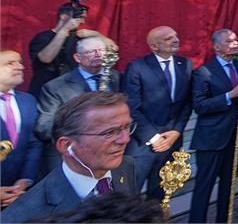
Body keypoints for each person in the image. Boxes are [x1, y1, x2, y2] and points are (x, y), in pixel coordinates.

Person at [1, 92, 138, 223]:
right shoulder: (22, 216)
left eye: (126, 127)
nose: (125, 139)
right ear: (66, 145)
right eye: (110, 132)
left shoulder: (125, 167)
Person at [123, 26, 193, 200]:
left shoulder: (185, 65)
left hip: (172, 143)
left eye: (176, 35)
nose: (176, 40)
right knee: (129, 197)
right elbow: (132, 108)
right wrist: (154, 138)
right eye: (169, 38)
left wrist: (177, 131)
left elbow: (187, 103)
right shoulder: (137, 67)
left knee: (160, 198)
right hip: (142, 144)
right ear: (154, 46)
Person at [188, 28, 238, 223]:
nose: (235, 43)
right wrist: (230, 95)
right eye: (230, 41)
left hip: (234, 136)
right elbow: (200, 105)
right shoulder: (204, 72)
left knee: (229, 184)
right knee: (204, 186)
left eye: (235, 40)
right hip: (211, 139)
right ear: (217, 47)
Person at [36, 36, 120, 171]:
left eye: (101, 50)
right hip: (73, 156)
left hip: (111, 154)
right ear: (77, 57)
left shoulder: (117, 78)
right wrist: (79, 138)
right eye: (91, 51)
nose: (98, 55)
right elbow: (45, 126)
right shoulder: (55, 87)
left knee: (107, 190)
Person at [0, 50, 42, 208]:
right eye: (10, 63)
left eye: (20, 62)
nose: (20, 67)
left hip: (17, 196)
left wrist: (25, 180)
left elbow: (33, 144)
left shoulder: (28, 100)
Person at [28, 5, 98, 98]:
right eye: (80, 17)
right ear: (64, 17)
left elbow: (113, 49)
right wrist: (65, 29)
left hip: (72, 92)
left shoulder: (78, 38)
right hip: (44, 92)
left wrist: (96, 34)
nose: (82, 22)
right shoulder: (43, 37)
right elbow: (45, 58)